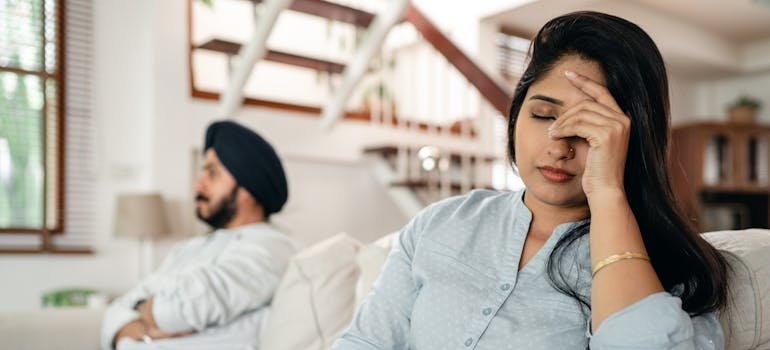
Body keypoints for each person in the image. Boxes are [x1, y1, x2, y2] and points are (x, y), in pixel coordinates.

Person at [332, 11, 729, 349]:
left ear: (630, 139)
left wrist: (607, 193)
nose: (559, 146)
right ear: (516, 116)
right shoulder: (440, 224)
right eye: (543, 115)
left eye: (590, 128)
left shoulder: (669, 265)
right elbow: (366, 342)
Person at [101, 120, 296, 350]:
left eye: (212, 174)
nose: (199, 184)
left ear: (248, 191)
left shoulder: (273, 247)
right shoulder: (190, 248)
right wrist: (146, 329)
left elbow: (175, 310)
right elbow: (115, 311)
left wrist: (141, 314)